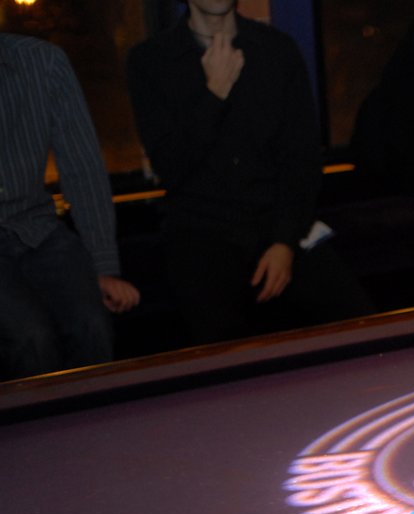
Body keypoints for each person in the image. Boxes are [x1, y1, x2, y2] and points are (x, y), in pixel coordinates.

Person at [126, 0, 373, 346]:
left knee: (362, 327)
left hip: (275, 223)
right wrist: (213, 93)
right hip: (202, 233)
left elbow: (301, 160)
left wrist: (284, 241)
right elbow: (171, 167)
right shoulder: (151, 60)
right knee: (221, 345)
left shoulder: (276, 49)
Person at [0, 33, 140, 381]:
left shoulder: (43, 62)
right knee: (30, 338)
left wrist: (104, 266)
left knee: (91, 325)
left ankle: (98, 414)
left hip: (38, 228)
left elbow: (83, 167)